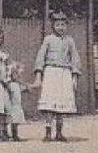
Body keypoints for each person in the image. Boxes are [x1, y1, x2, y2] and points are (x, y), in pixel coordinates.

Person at [33, 10, 82, 142]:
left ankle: (59, 132)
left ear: (66, 26)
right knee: (50, 102)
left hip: (64, 73)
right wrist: (38, 75)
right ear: (53, 26)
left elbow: (75, 59)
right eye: (58, 25)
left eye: (63, 25)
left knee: (61, 102)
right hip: (51, 73)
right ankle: (48, 131)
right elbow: (40, 57)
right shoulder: (48, 39)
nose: (60, 27)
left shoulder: (70, 41)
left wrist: (74, 77)